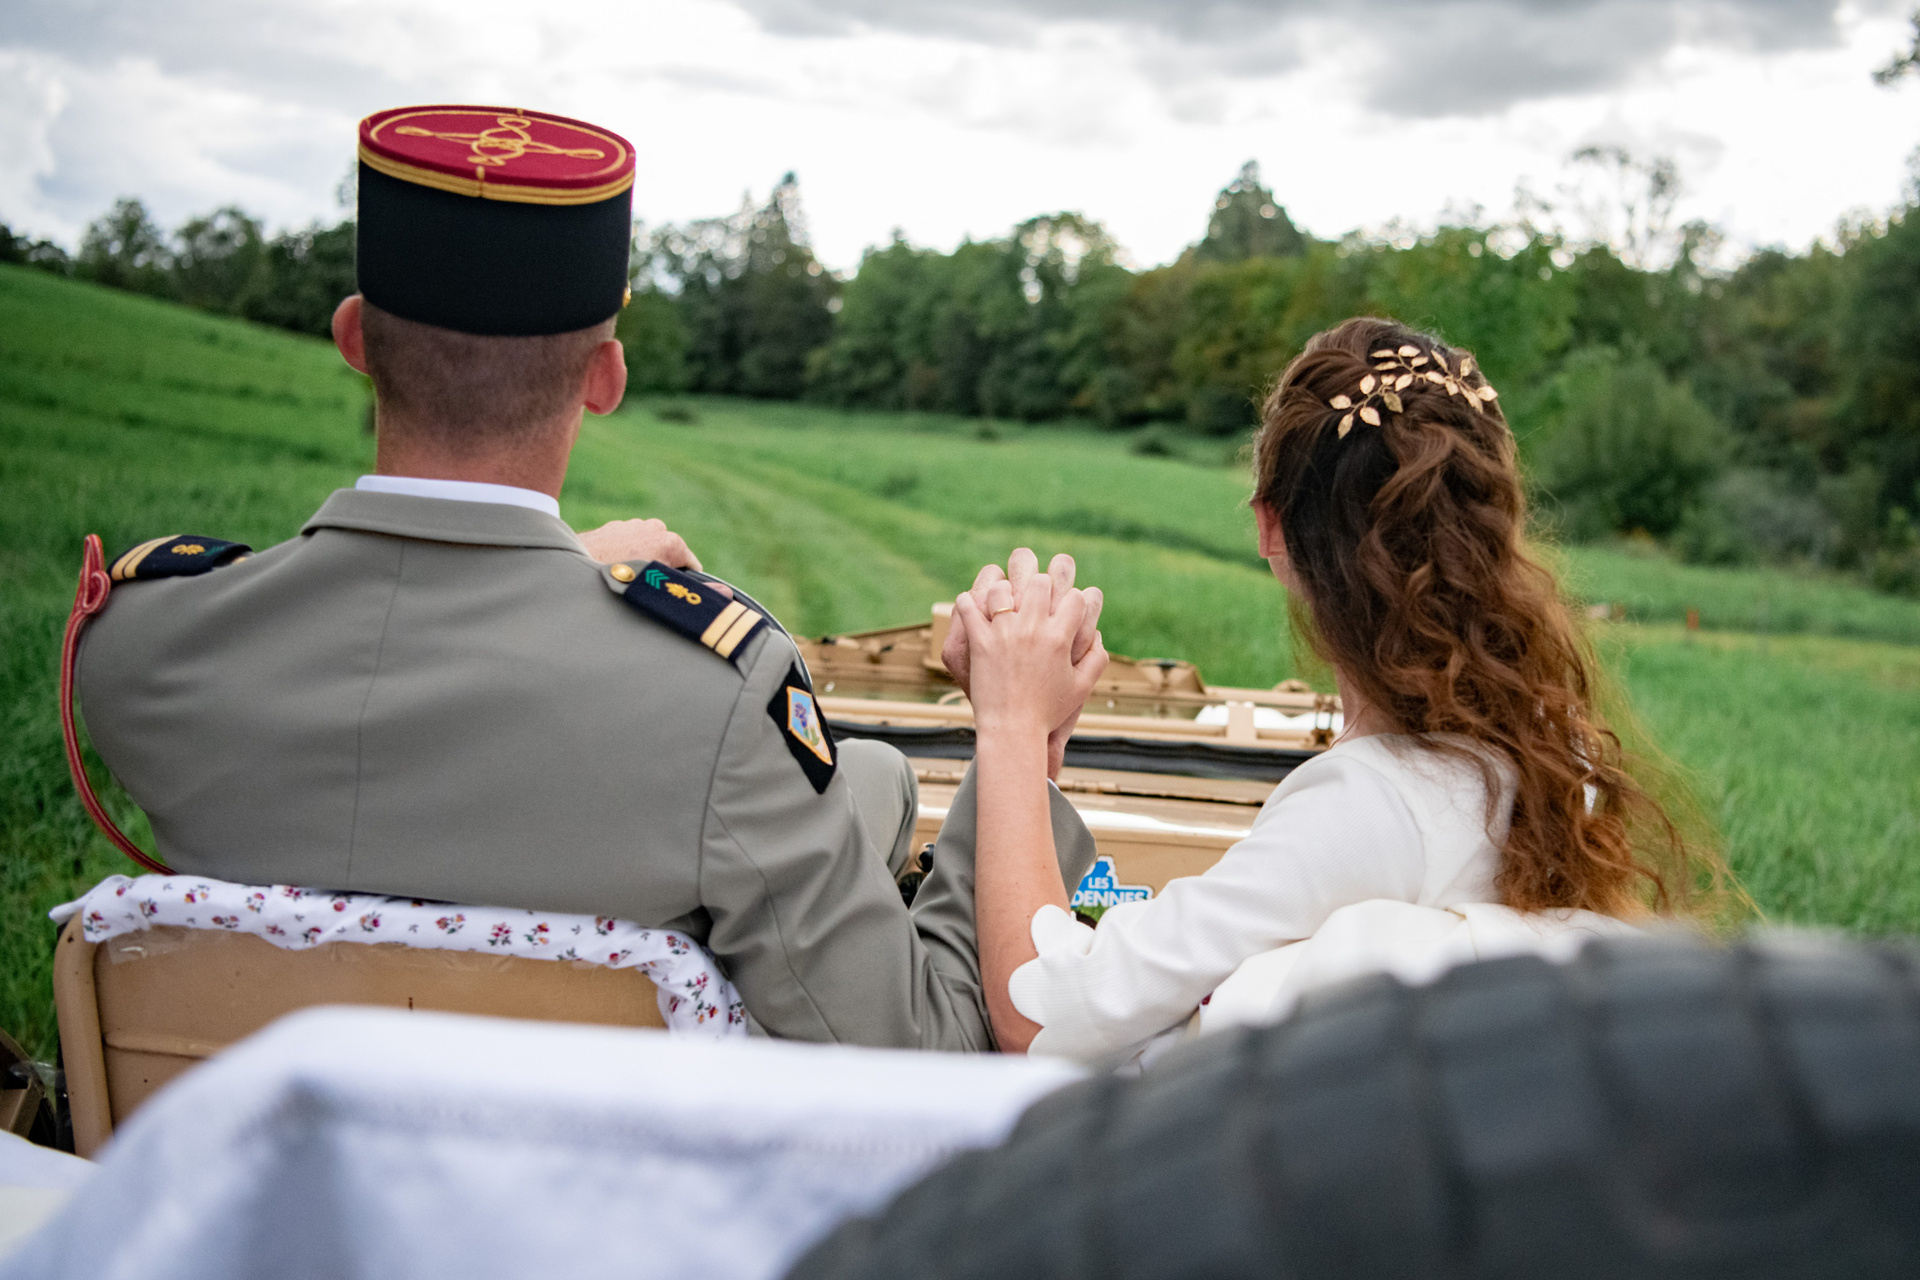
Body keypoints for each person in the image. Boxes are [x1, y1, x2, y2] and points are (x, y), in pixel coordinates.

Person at [72, 103, 1097, 1051]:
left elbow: (391, 678)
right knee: (875, 783)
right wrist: (1024, 755)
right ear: (605, 379)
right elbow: (923, 1049)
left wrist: (559, 574)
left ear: (353, 340)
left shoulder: (137, 645)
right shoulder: (720, 703)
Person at [952, 316, 1716, 1063]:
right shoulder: (1559, 751)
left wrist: (1012, 723)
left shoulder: (1369, 803)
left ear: (1271, 528)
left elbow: (1040, 1014)